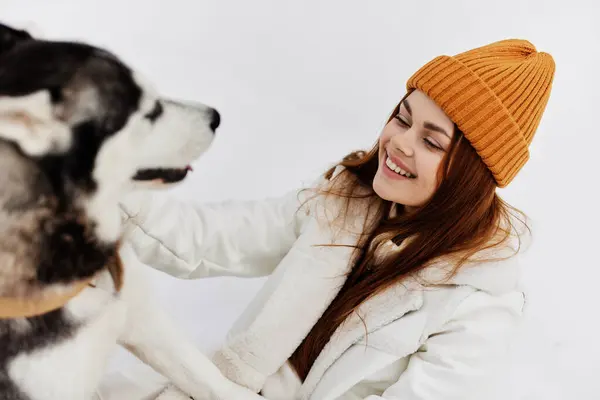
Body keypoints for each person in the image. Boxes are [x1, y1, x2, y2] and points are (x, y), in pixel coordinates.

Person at [117, 38, 555, 399]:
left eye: (432, 142)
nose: (399, 143)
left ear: (470, 176)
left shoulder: (477, 302)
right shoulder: (341, 201)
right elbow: (204, 241)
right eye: (402, 119)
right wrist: (102, 191)